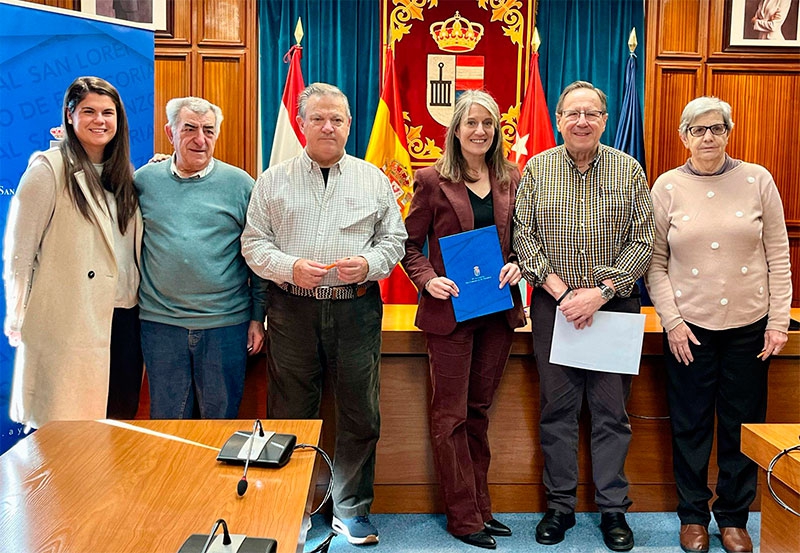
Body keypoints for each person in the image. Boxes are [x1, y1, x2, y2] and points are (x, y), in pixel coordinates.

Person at [242, 82, 406, 546]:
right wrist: (289, 267)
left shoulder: (374, 178)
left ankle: (350, 509)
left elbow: (393, 241)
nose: (328, 126)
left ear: (349, 125)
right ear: (302, 123)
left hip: (356, 309)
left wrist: (370, 265)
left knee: (359, 411)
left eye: (337, 119)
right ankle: (289, 505)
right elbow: (253, 244)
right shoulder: (273, 179)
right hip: (291, 309)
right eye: (318, 118)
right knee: (290, 412)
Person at [645, 97, 791, 553]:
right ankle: (692, 516)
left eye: (716, 128)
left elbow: (779, 256)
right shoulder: (666, 186)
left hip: (750, 324)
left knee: (739, 424)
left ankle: (733, 517)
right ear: (683, 136)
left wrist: (779, 321)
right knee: (689, 425)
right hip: (689, 328)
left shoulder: (757, 179)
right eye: (698, 130)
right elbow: (654, 263)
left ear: (728, 132)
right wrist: (671, 321)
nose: (708, 137)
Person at [513, 81, 654, 552]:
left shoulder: (629, 170)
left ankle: (613, 509)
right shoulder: (536, 169)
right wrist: (560, 292)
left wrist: (598, 293)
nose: (581, 121)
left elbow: (643, 243)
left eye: (591, 113)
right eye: (573, 113)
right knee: (558, 412)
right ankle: (560, 507)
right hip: (555, 310)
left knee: (612, 414)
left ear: (605, 120)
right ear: (558, 119)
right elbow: (524, 238)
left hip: (614, 308)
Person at [401, 90, 525, 550]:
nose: (479, 131)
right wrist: (428, 279)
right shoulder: (432, 180)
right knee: (450, 414)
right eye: (471, 123)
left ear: (497, 130)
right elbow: (408, 244)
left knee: (478, 411)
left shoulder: (511, 177)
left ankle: (483, 507)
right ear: (455, 129)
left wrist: (520, 265)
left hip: (496, 308)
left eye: (488, 124)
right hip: (449, 312)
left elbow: (523, 238)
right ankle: (463, 516)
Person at [3, 76, 143, 428]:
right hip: (71, 320)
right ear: (69, 115)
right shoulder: (48, 170)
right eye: (89, 111)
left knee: (117, 427)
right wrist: (18, 314)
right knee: (68, 434)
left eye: (108, 112)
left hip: (124, 321)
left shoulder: (124, 174)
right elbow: (19, 254)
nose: (100, 120)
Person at [134, 96, 266, 419]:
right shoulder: (143, 182)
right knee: (168, 427)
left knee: (220, 426)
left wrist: (257, 316)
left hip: (226, 325)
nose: (200, 139)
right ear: (170, 133)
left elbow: (258, 256)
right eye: (189, 129)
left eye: (209, 130)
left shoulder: (241, 185)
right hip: (161, 325)